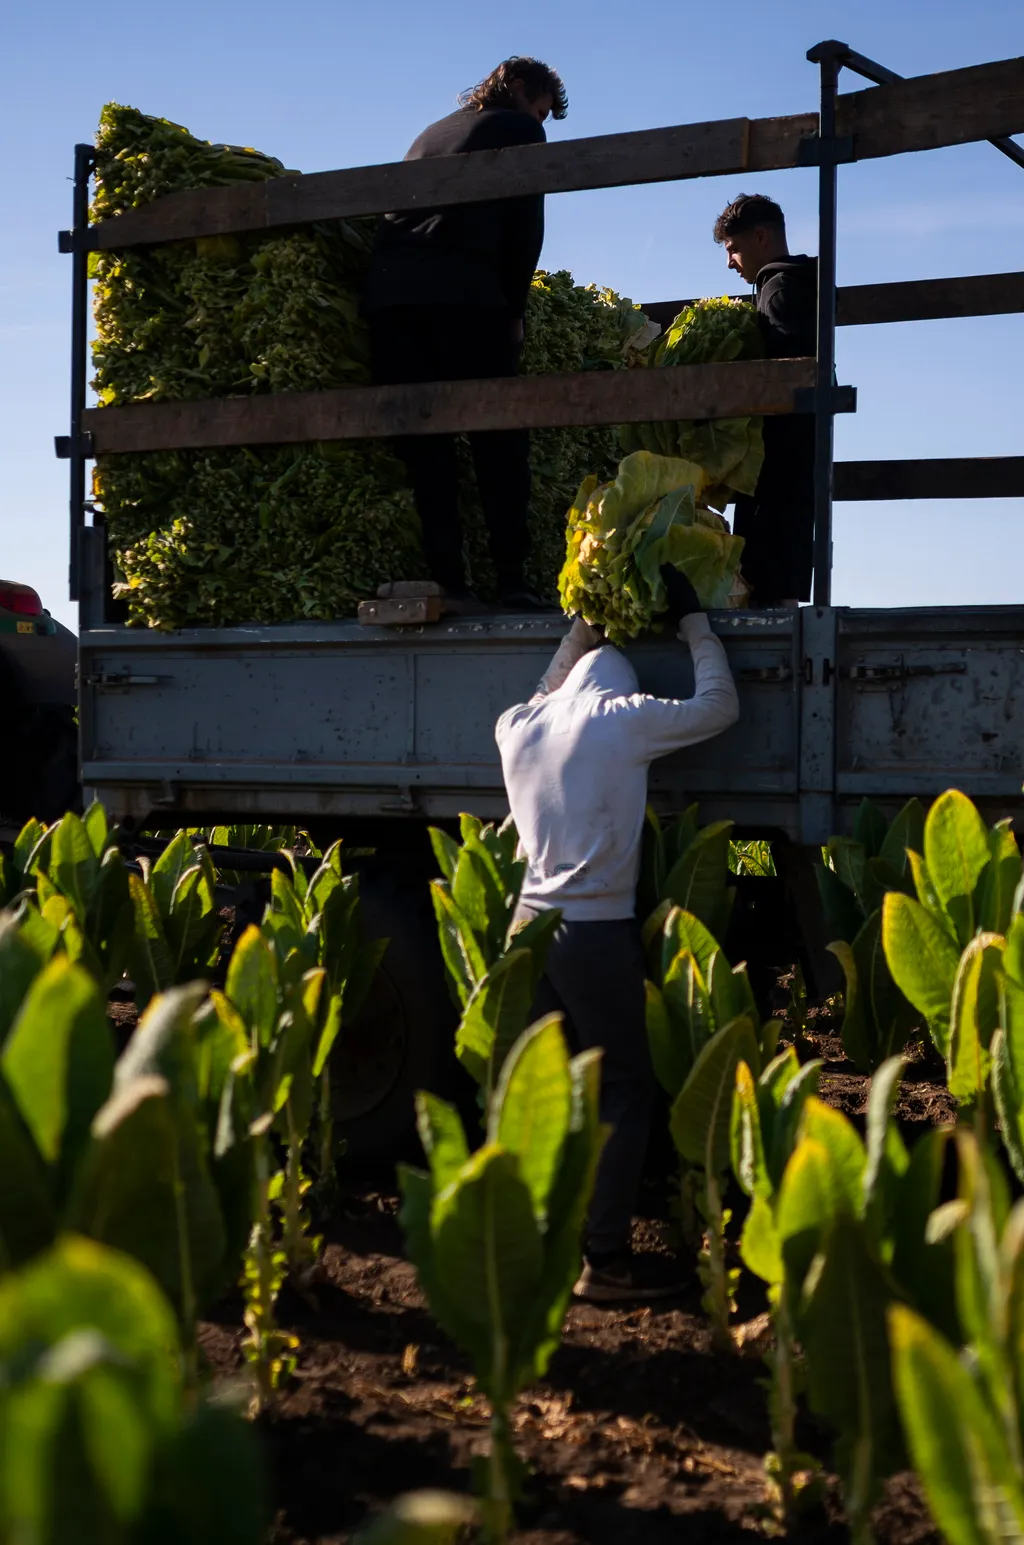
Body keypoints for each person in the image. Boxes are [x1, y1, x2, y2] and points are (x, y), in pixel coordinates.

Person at [495, 570, 740, 1302]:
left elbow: (545, 688)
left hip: (527, 930)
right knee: (625, 1088)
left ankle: (537, 1237)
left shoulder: (517, 726)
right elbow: (718, 706)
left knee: (549, 1085)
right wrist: (696, 622)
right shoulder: (623, 716)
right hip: (595, 931)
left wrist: (580, 629)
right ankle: (603, 1260)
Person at [365, 57, 568, 611]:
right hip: (462, 294)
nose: (542, 124)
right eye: (542, 110)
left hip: (390, 300)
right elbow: (525, 227)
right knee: (499, 437)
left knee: (427, 445)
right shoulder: (519, 128)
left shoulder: (430, 134)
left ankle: (449, 581)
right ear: (520, 90)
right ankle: (510, 580)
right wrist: (515, 310)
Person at [713, 193, 818, 608]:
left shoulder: (778, 292)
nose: (730, 262)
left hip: (775, 462)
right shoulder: (801, 283)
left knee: (767, 589)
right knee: (782, 587)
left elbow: (782, 378)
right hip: (797, 460)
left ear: (760, 236)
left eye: (733, 248)